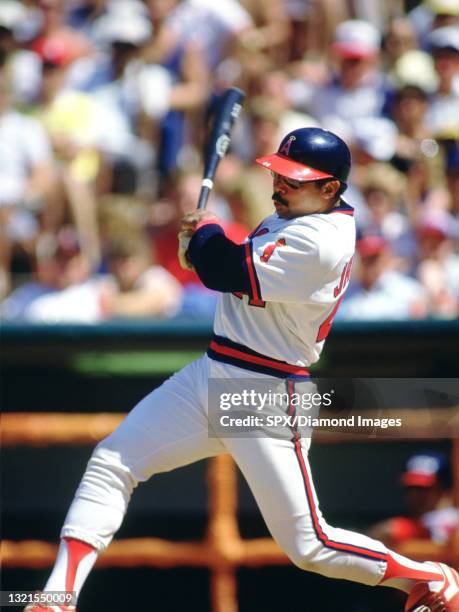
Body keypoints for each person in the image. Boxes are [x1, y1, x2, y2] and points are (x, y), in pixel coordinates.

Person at [24, 128, 459, 612]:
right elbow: (223, 270)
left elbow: (228, 271)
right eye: (280, 175)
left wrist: (209, 234)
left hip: (265, 390)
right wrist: (201, 246)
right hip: (214, 369)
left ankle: (431, 576)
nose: (280, 186)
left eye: (295, 180)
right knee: (113, 461)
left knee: (310, 546)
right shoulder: (294, 213)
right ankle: (55, 599)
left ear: (331, 188)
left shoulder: (324, 239)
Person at [368, 452, 459, 548]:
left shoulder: (451, 518)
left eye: (423, 489)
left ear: (444, 488)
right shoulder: (412, 524)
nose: (414, 495)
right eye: (411, 488)